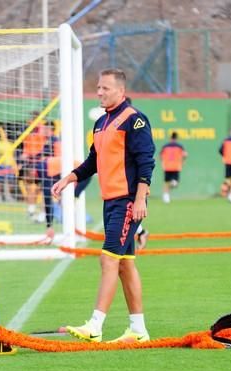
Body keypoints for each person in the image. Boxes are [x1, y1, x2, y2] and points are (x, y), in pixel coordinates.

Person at [51, 68, 155, 343]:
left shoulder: (135, 120)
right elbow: (92, 162)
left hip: (127, 202)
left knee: (108, 259)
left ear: (120, 91)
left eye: (105, 88)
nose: (99, 92)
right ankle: (138, 330)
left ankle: (95, 325)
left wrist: (141, 198)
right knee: (125, 265)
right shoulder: (100, 123)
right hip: (110, 202)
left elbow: (146, 161)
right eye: (98, 88)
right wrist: (69, 179)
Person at [160, 131, 188, 204]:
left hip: (167, 167)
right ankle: (168, 193)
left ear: (170, 138)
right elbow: (185, 155)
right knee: (175, 183)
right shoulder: (180, 146)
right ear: (176, 138)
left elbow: (160, 156)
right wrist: (183, 161)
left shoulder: (165, 146)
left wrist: (163, 163)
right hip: (176, 166)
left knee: (166, 183)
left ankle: (166, 196)